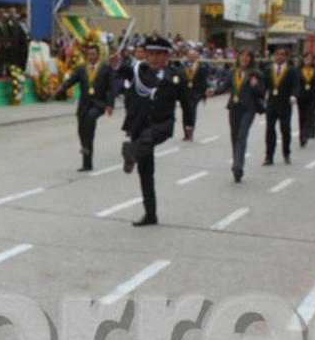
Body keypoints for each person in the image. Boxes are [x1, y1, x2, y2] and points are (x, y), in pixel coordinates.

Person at [111, 36, 183, 226]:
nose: (154, 58)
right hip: (140, 124)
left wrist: (190, 124)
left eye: (159, 54)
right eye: (151, 54)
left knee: (146, 139)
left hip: (161, 125)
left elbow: (187, 100)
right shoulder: (139, 71)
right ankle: (150, 213)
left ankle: (131, 152)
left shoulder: (175, 75)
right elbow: (122, 70)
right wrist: (116, 63)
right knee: (146, 172)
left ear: (166, 56)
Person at [56, 41, 115, 171]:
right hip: (83, 105)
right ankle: (87, 163)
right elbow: (71, 81)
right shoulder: (81, 69)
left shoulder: (105, 68)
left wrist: (110, 105)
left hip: (99, 104)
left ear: (98, 55)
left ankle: (87, 146)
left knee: (90, 119)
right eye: (89, 54)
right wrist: (60, 89)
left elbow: (112, 88)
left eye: (93, 54)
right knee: (81, 131)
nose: (91, 57)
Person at [218, 49, 265, 183]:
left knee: (242, 135)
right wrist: (213, 91)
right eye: (242, 56)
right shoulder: (233, 72)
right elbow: (225, 87)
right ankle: (236, 162)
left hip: (248, 109)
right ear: (238, 58)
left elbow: (262, 92)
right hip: (234, 107)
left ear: (251, 59)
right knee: (234, 136)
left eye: (247, 57)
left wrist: (255, 86)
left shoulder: (256, 74)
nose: (244, 59)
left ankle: (238, 166)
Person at [262, 45, 297, 165]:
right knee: (270, 131)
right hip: (271, 104)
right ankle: (269, 156)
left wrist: (293, 96)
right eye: (277, 54)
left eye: (282, 54)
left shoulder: (291, 70)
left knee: (285, 130)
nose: (279, 56)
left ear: (286, 57)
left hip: (285, 104)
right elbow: (264, 86)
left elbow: (295, 85)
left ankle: (286, 153)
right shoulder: (268, 69)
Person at [179, 47, 210, 141]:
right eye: (190, 56)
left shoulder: (200, 68)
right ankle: (185, 133)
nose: (191, 57)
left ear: (196, 57)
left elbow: (203, 82)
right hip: (184, 94)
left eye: (193, 56)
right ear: (187, 56)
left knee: (192, 112)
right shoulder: (182, 67)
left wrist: (204, 96)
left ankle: (191, 132)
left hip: (195, 95)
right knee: (185, 113)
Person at [297, 52, 315, 146]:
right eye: (306, 58)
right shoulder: (299, 70)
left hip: (313, 97)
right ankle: (301, 134)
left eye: (310, 58)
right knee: (302, 116)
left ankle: (305, 134)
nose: (308, 60)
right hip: (301, 97)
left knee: (309, 115)